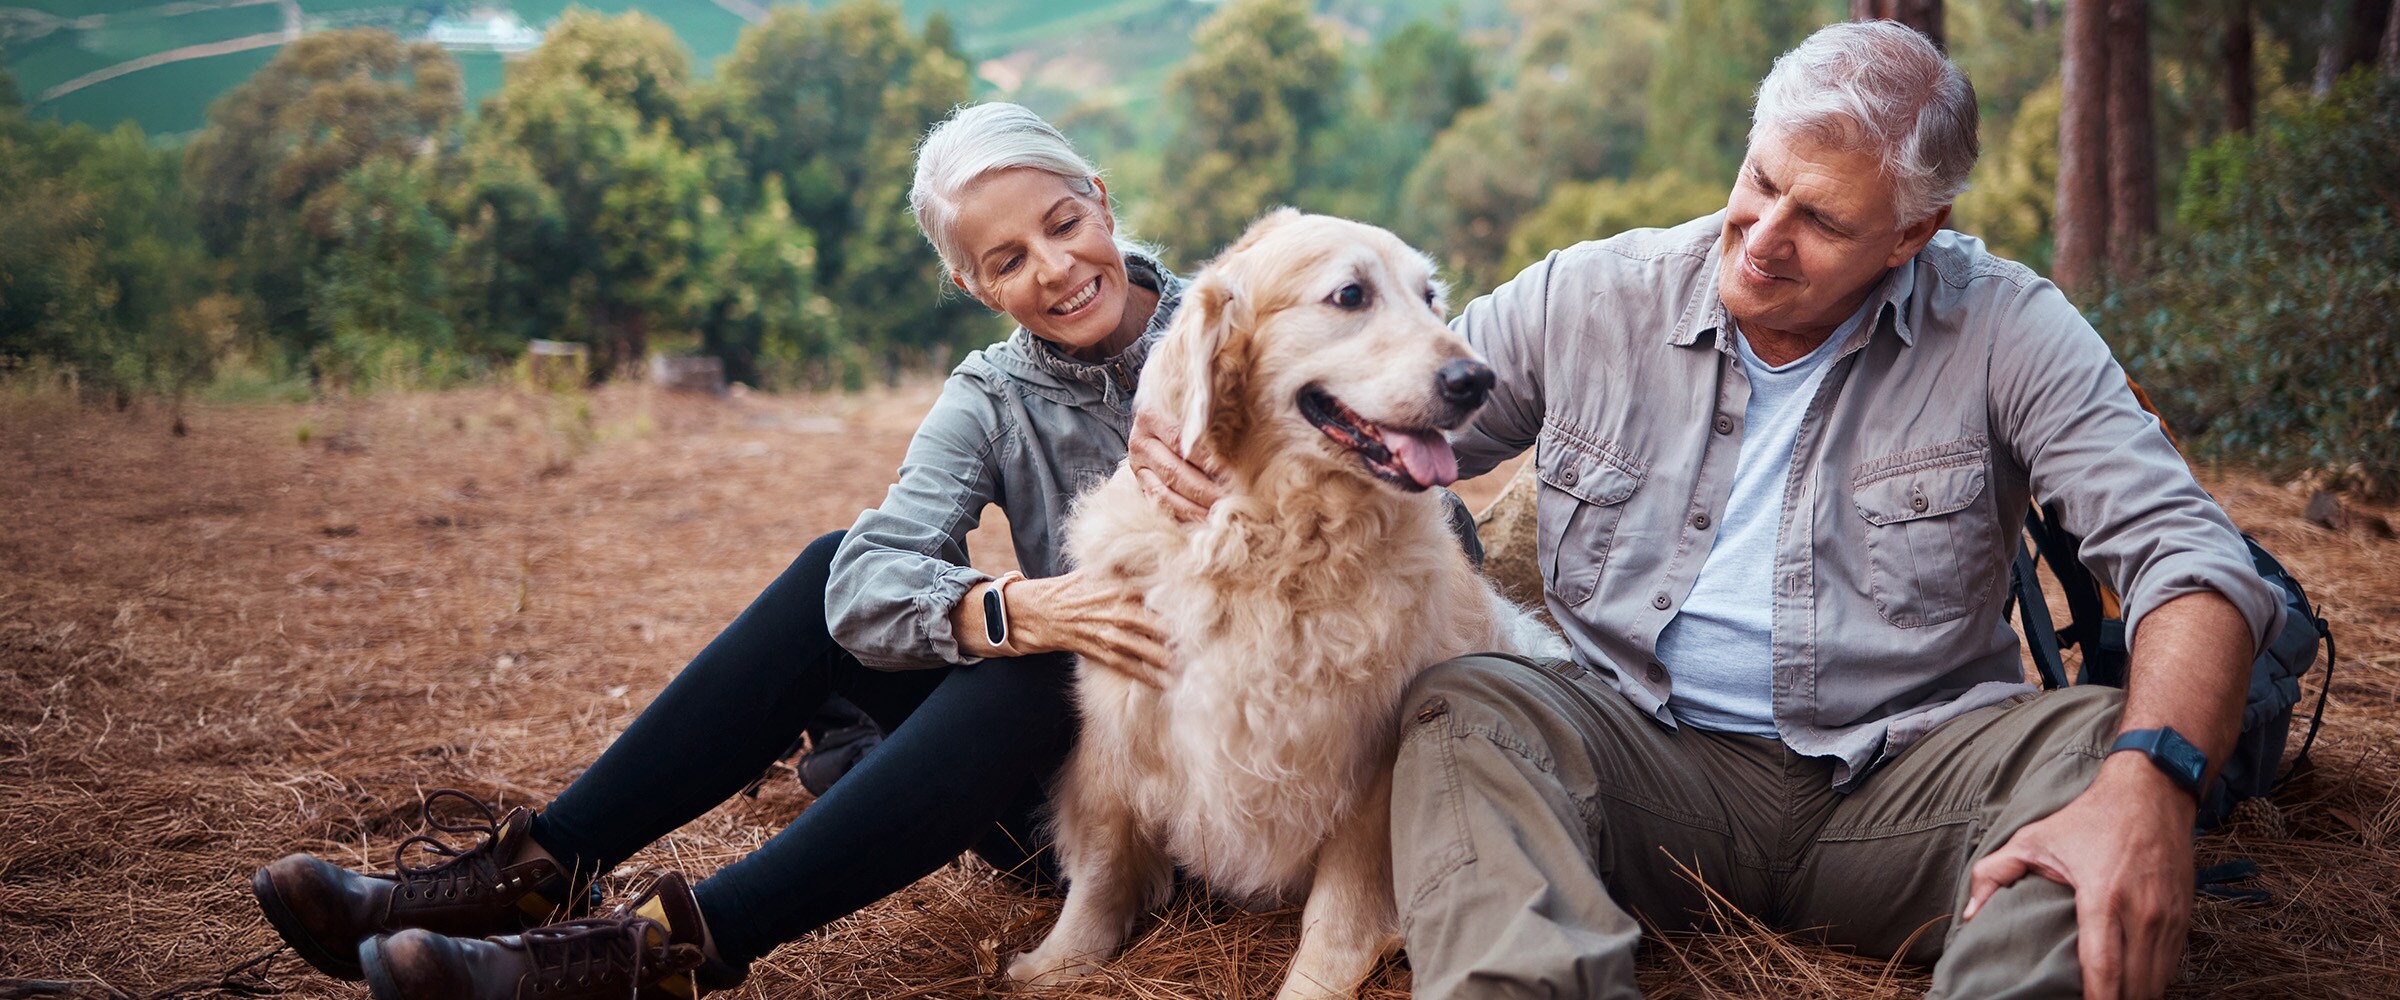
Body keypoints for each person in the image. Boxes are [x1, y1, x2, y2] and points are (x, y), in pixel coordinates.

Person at [1130, 20, 2283, 1000]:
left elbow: (2193, 559)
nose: (1764, 238)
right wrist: (1185, 399)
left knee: (2092, 749)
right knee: (1468, 706)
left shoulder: (2012, 329)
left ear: (1912, 235)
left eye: (1822, 222)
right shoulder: (1587, 296)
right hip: (1633, 769)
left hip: (1908, 783)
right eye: (1761, 182)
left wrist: (2153, 778)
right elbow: (1382, 407)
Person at [249, 101, 1188, 1000]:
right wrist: (1008, 609)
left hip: (1234, 802)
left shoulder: (1250, 331)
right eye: (1010, 258)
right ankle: (540, 870)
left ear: (1101, 199)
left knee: (1048, 659)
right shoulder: (991, 395)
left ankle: (664, 954)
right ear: (975, 287)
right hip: (1061, 817)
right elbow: (860, 588)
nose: (1057, 267)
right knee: (851, 570)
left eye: (1065, 223)